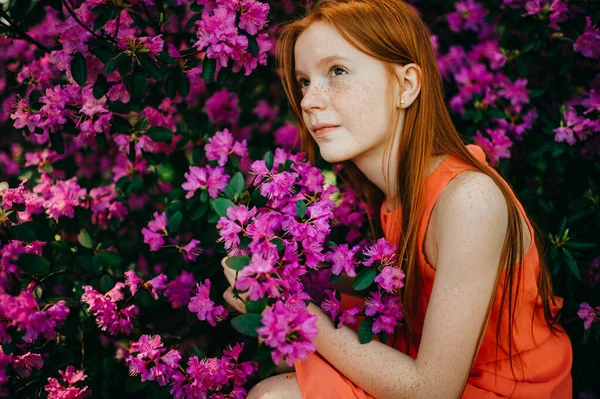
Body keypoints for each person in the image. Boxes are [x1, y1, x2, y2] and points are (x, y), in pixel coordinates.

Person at [221, 0, 573, 397]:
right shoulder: (386, 198)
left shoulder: (469, 200)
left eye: (337, 71)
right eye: (304, 81)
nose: (308, 102)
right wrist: (266, 293)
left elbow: (433, 391)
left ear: (406, 86)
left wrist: (290, 308)